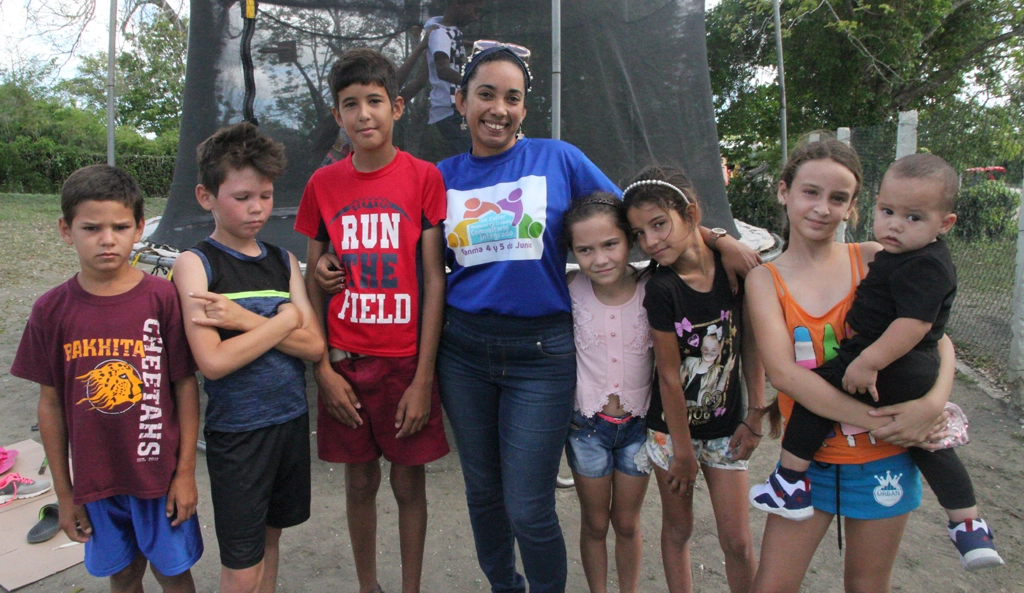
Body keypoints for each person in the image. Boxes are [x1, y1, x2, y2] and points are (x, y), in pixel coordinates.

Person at [749, 153, 1004, 571]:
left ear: (853, 207)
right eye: (810, 192)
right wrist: (887, 421)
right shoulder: (764, 279)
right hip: (811, 465)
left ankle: (968, 525)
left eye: (838, 197)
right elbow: (784, 375)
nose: (821, 207)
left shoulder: (876, 257)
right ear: (783, 192)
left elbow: (937, 340)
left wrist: (930, 406)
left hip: (885, 460)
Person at [296, 47, 450, 593]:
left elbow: (435, 280)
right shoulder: (322, 186)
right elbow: (314, 275)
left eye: (375, 101)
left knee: (410, 485)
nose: (364, 114)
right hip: (345, 364)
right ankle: (369, 587)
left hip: (406, 366)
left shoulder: (425, 178)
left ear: (398, 107)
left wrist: (423, 378)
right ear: (337, 115)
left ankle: (408, 587)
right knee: (359, 482)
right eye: (350, 104)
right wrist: (323, 369)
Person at [11, 165, 203, 592]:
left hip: (159, 474)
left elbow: (184, 386)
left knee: (174, 573)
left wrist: (186, 472)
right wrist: (65, 494)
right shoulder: (51, 310)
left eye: (120, 226)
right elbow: (50, 405)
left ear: (139, 228)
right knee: (124, 573)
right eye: (91, 227)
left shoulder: (162, 297)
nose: (107, 239)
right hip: (97, 481)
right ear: (66, 230)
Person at [172, 123, 324, 593]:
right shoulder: (196, 264)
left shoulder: (281, 259)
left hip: (290, 422)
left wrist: (246, 320)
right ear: (205, 196)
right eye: (241, 197)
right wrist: (283, 322)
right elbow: (213, 362)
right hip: (239, 433)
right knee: (241, 563)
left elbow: (315, 346)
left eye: (265, 194)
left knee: (270, 538)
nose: (257, 208)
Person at [624, 166, 767, 593]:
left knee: (738, 540)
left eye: (659, 224)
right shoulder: (661, 289)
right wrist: (682, 452)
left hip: (728, 427)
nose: (650, 241)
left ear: (690, 215)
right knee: (678, 530)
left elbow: (752, 344)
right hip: (673, 435)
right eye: (639, 233)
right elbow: (668, 376)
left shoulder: (734, 271)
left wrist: (757, 411)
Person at [562, 194, 653, 593]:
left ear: (629, 241)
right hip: (587, 429)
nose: (599, 259)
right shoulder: (570, 287)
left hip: (639, 429)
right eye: (585, 249)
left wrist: (723, 239)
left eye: (609, 245)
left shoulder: (654, 285)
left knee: (628, 523)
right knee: (596, 522)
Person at [422, 0, 481, 154]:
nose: (475, 17)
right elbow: (442, 70)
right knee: (471, 154)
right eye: (474, 10)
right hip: (449, 110)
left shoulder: (447, 31)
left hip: (456, 108)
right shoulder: (439, 33)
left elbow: (454, 41)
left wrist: (479, 46)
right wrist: (475, 84)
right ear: (457, 4)